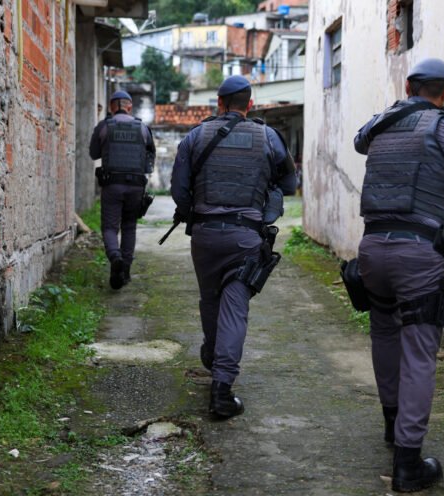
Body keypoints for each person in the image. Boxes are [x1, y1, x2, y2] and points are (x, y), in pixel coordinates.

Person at [353, 58, 444, 492]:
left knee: (384, 334)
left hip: (372, 249)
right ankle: (408, 464)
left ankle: (392, 426)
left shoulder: (380, 124)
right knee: (418, 350)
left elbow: (361, 142)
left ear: (409, 85)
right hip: (418, 254)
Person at [170, 75, 296, 419]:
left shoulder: (196, 136)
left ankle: (213, 356)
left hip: (206, 237)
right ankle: (222, 390)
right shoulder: (268, 137)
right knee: (235, 308)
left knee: (210, 301)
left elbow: (179, 191)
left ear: (219, 103)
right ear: (250, 105)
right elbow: (290, 183)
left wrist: (195, 210)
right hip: (246, 237)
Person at [89, 90, 156, 289]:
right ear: (129, 107)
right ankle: (124, 270)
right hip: (136, 186)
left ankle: (115, 257)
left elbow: (93, 154)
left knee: (110, 227)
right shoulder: (143, 127)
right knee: (129, 226)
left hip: (112, 185)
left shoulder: (104, 126)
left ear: (111, 107)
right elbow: (150, 156)